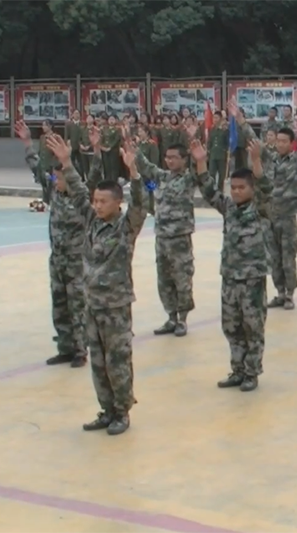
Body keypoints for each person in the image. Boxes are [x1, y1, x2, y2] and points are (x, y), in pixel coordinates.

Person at [48, 134, 147, 436]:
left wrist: (134, 172)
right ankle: (107, 409)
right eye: (96, 201)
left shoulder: (126, 227)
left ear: (119, 203)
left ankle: (122, 412)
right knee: (99, 364)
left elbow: (142, 203)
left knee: (117, 362)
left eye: (104, 201)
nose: (97, 205)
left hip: (115, 307)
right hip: (92, 304)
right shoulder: (91, 221)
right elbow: (77, 192)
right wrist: (66, 162)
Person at [193, 138, 271, 391]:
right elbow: (209, 192)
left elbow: (265, 187)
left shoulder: (260, 208)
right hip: (229, 277)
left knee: (253, 327)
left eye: (240, 188)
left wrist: (256, 161)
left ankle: (251, 372)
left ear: (250, 189)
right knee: (232, 326)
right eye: (233, 187)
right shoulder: (228, 207)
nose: (235, 192)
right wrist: (201, 163)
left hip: (251, 279)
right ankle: (237, 369)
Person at [16, 121, 87, 367]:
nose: (55, 182)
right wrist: (27, 143)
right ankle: (65, 347)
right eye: (55, 178)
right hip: (57, 260)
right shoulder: (54, 193)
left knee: (78, 306)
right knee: (60, 305)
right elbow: (37, 168)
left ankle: (80, 350)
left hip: (77, 262)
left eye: (59, 178)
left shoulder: (81, 198)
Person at [233, 99, 297, 310]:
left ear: (290, 143)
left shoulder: (296, 160)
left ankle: (290, 294)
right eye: (278, 141)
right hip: (270, 215)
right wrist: (241, 121)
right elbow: (254, 141)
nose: (280, 144)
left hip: (288, 217)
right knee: (274, 257)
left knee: (288, 258)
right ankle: (280, 292)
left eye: (285, 141)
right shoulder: (270, 158)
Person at [135, 135, 202, 337]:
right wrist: (133, 147)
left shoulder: (189, 179)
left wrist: (199, 157)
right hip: (161, 238)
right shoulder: (161, 178)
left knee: (182, 279)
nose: (169, 160)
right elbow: (145, 167)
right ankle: (171, 317)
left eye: (174, 157)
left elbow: (203, 174)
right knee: (164, 280)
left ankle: (182, 319)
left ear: (183, 159)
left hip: (180, 239)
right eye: (167, 157)